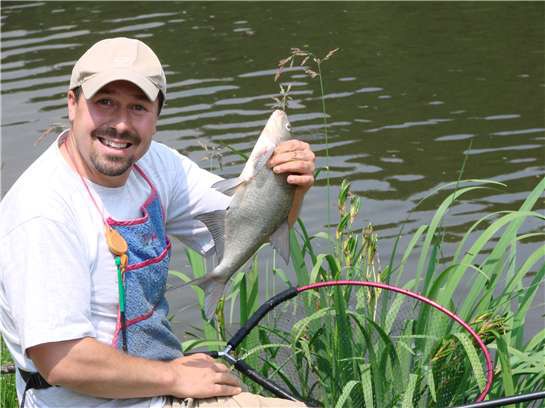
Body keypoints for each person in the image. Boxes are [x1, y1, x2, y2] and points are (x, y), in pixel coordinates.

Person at [0, 37, 314, 408]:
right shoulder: (43, 210)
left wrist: (288, 186)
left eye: (138, 107)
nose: (120, 124)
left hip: (158, 390)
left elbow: (245, 229)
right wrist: (176, 376)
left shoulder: (158, 166)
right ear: (72, 103)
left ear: (157, 115)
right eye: (105, 103)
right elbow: (61, 360)